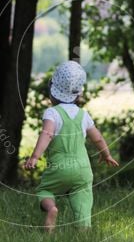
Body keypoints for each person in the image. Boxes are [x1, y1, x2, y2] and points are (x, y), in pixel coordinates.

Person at [24, 60, 119, 231]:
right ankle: (83, 228)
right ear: (77, 94)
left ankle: (51, 209)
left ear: (53, 91)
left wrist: (35, 156)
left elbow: (47, 134)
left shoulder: (52, 113)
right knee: (82, 196)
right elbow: (97, 138)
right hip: (82, 169)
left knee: (45, 190)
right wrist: (106, 155)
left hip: (59, 168)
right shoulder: (83, 115)